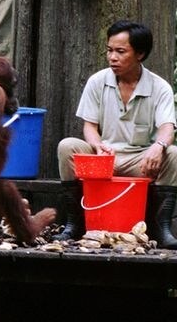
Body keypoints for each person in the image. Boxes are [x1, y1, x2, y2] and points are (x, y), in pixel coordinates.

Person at [56, 20, 177, 248]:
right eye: (110, 50)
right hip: (102, 156)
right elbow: (89, 126)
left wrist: (158, 146)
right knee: (67, 145)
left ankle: (162, 228)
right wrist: (98, 145)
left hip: (139, 160)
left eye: (121, 51)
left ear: (140, 54)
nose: (112, 57)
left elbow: (167, 127)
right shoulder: (97, 81)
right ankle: (74, 224)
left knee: (173, 153)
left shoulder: (159, 87)